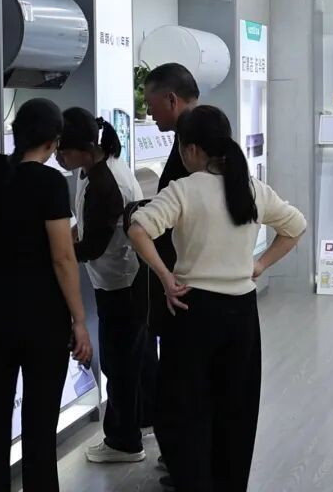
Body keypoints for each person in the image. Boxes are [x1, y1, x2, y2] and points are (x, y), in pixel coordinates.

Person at [128, 105, 306, 492]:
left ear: (191, 149)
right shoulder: (252, 188)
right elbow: (296, 226)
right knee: (236, 411)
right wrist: (259, 264)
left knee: (184, 411)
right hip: (242, 314)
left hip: (192, 310)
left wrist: (166, 277)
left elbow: (138, 228)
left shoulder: (184, 189)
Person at [0, 98, 93, 492]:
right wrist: (79, 320)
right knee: (39, 425)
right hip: (42, 318)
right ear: (52, 141)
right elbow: (62, 257)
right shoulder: (50, 183)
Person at [54, 108, 148, 464]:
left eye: (63, 150)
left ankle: (124, 441)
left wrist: (59, 253)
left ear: (83, 148)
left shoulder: (107, 184)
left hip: (121, 282)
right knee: (131, 359)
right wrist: (69, 235)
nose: (59, 156)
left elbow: (93, 246)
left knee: (118, 362)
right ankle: (141, 422)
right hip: (116, 279)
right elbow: (87, 224)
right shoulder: (92, 168)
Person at [137, 62, 199, 433]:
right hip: (182, 275)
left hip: (185, 278)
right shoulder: (188, 139)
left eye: (151, 103)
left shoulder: (194, 146)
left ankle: (185, 450)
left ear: (171, 99)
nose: (149, 113)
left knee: (185, 369)